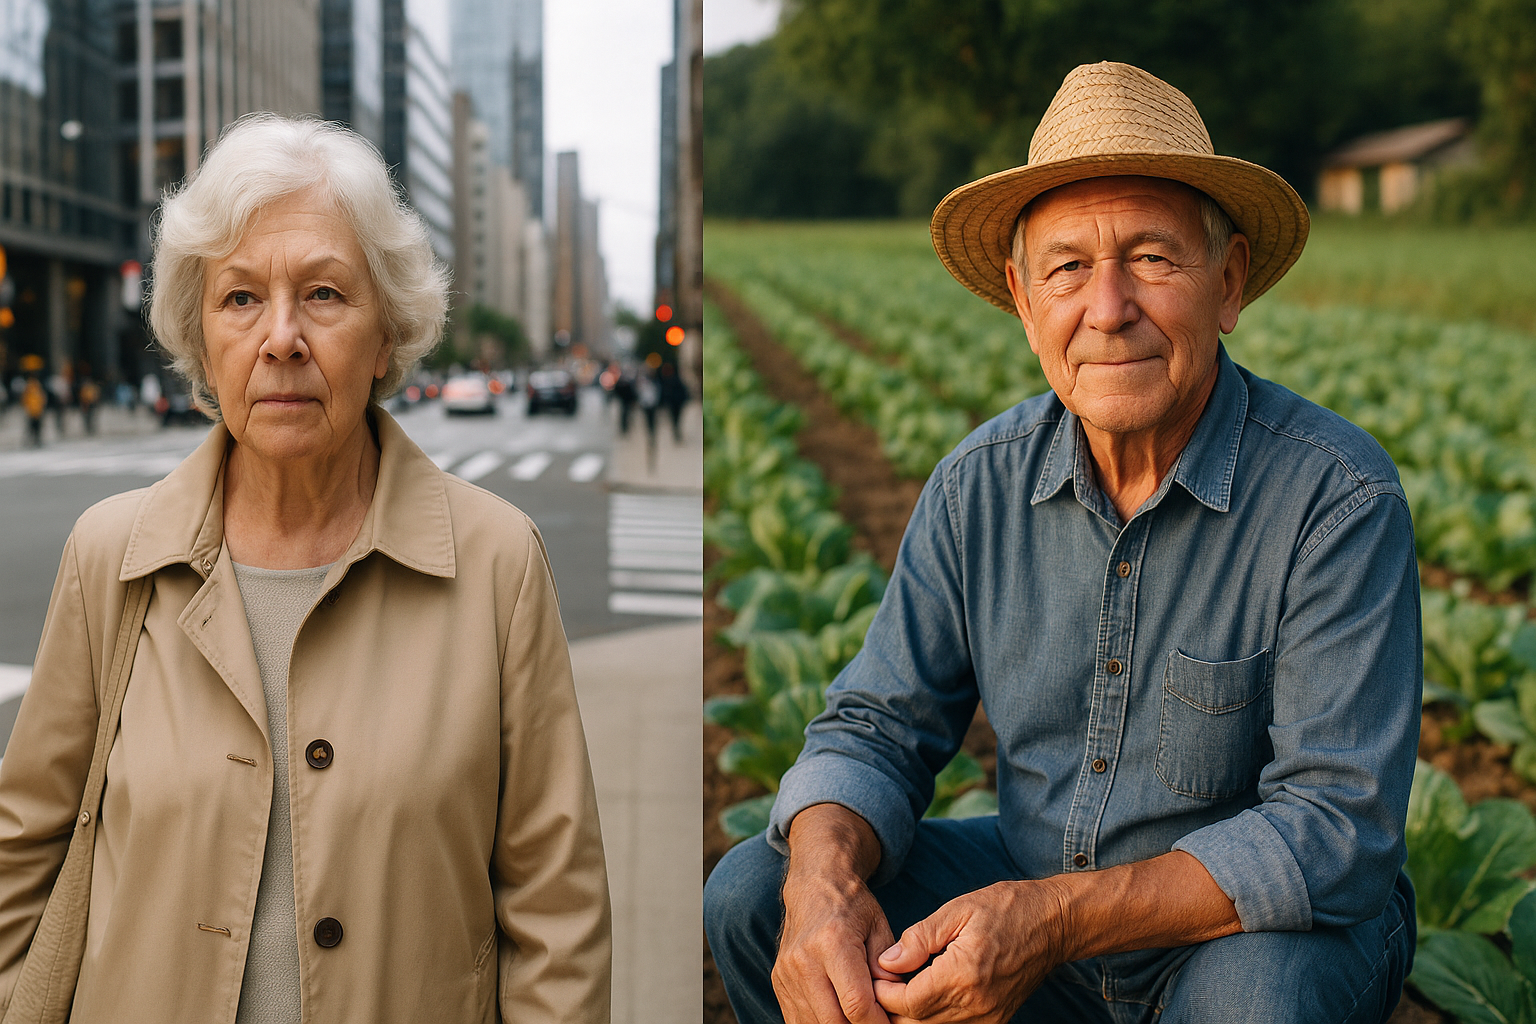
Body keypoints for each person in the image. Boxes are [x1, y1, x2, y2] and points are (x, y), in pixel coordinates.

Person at [705, 61, 1420, 1023]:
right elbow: (876, 726)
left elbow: (1334, 829)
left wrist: (1049, 921)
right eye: (1069, 266)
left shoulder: (1334, 497)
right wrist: (823, 880)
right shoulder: (979, 485)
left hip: (1251, 934)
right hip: (1040, 891)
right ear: (1022, 294)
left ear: (1229, 281)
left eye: (1155, 258)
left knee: (1258, 1000)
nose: (1109, 306)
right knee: (758, 896)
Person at [0, 114, 611, 1022]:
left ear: (387, 334)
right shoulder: (110, 555)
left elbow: (556, 915)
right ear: (202, 341)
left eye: (323, 294)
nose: (280, 337)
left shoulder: (498, 562)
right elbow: (24, 859)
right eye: (240, 298)